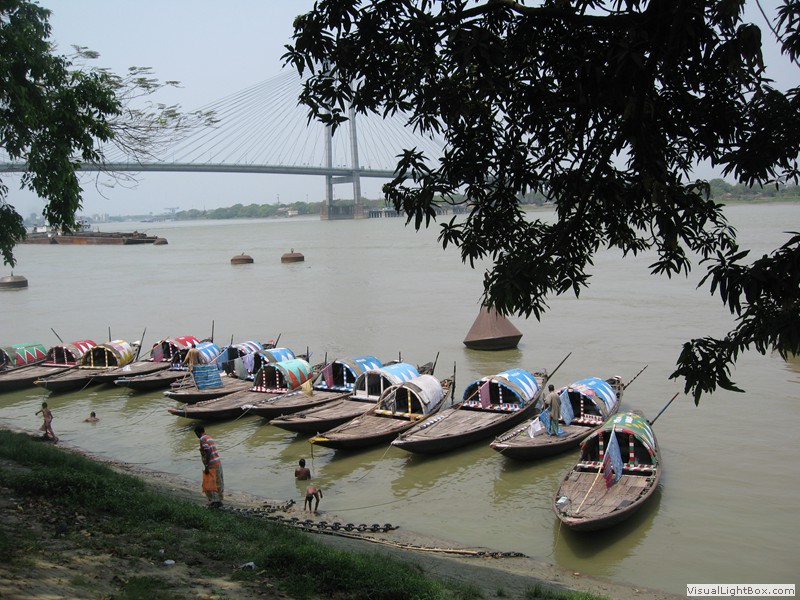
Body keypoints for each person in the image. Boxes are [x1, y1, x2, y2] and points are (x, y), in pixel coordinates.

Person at [194, 425, 223, 508]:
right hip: (218, 462)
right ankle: (218, 500)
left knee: (211, 483)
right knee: (219, 482)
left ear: (197, 432)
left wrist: (207, 465)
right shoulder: (209, 437)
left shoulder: (202, 439)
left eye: (196, 434)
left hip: (212, 464)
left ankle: (215, 502)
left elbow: (208, 451)